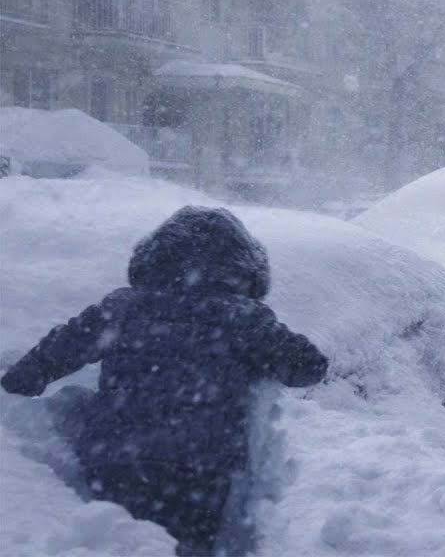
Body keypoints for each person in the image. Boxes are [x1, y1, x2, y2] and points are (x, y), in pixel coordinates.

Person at [0, 206, 328, 556]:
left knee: (118, 540)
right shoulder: (243, 318)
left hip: (116, 457)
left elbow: (57, 351)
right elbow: (308, 366)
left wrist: (15, 385)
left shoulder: (124, 308)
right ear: (246, 270)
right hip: (201, 468)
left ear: (152, 259)